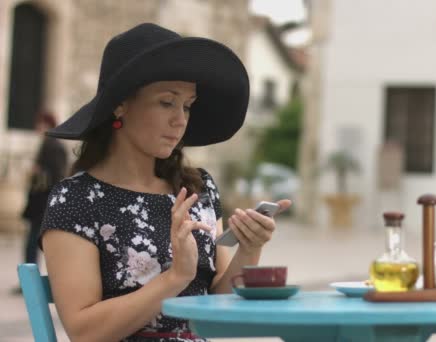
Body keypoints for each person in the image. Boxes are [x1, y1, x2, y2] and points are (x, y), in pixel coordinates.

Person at [39, 23, 291, 342]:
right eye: (166, 102)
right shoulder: (75, 200)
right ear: (121, 104)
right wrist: (175, 277)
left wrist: (249, 249)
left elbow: (221, 309)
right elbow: (84, 332)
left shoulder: (197, 189)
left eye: (187, 105)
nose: (181, 119)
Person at [13, 111, 68, 295]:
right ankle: (31, 282)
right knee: (35, 243)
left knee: (37, 243)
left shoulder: (53, 145)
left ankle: (34, 283)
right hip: (40, 204)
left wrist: (38, 171)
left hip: (43, 204)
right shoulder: (48, 144)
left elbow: (57, 175)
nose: (38, 128)